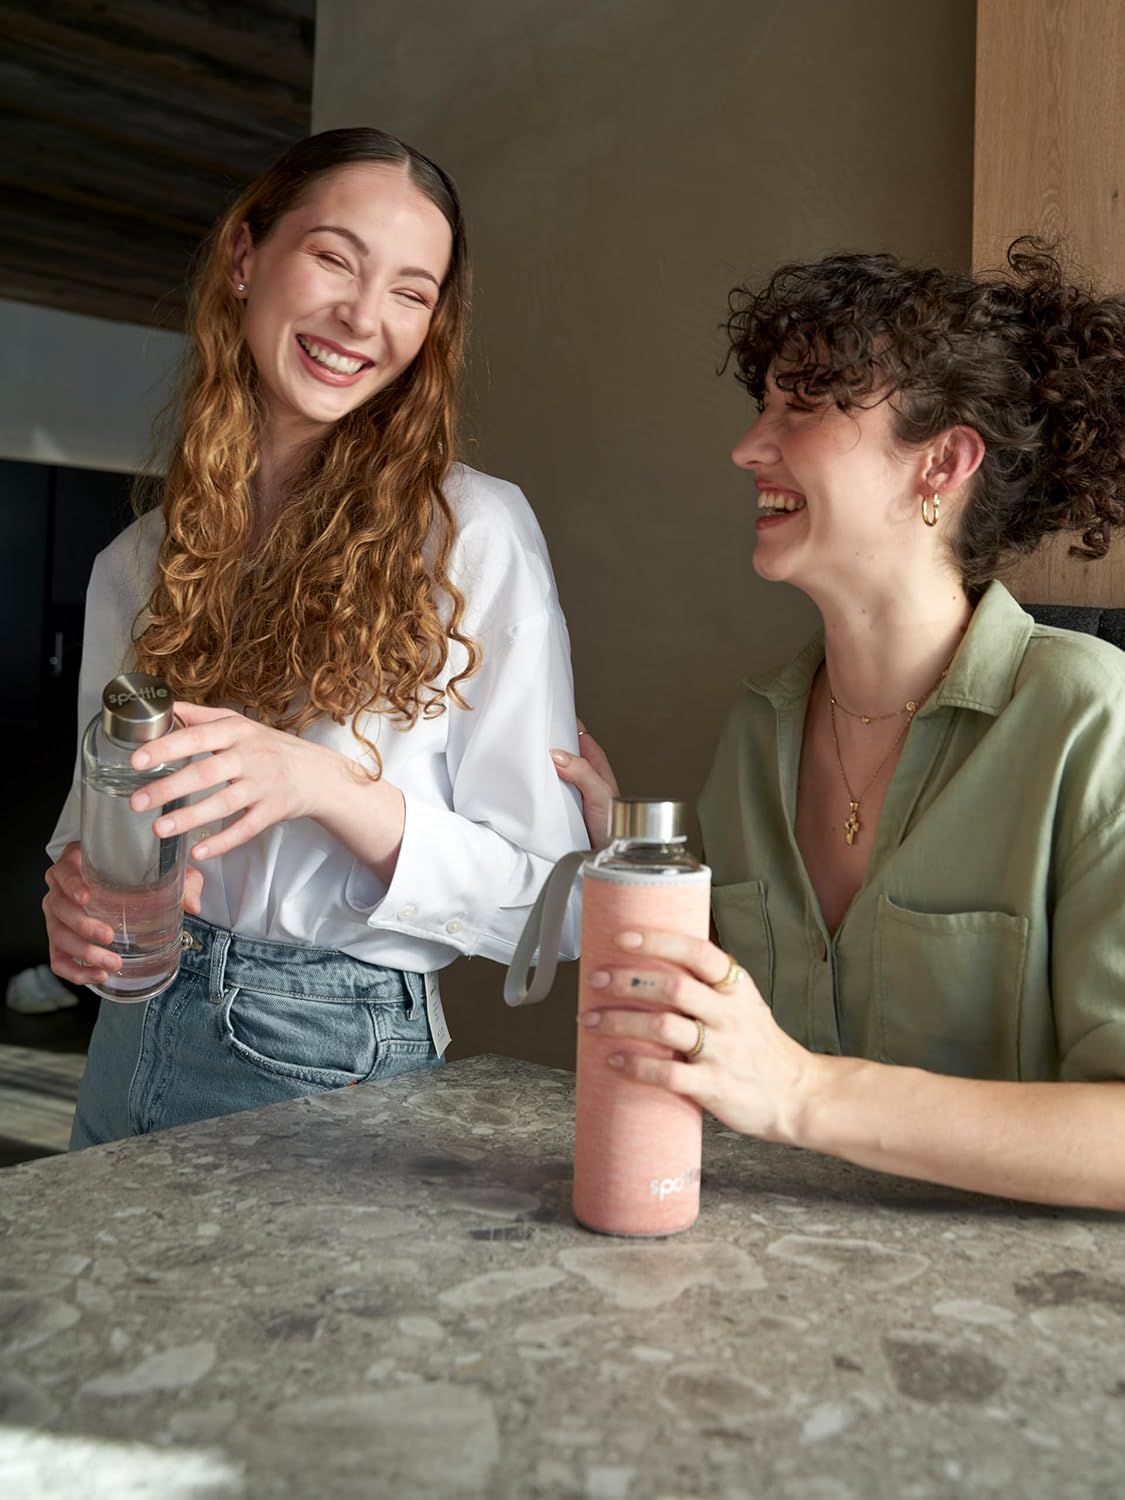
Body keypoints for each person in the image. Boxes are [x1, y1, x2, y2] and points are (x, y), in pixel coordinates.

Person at [554, 241, 1125, 1210]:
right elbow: (728, 1044)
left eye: (805, 406)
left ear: (942, 461)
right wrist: (637, 868)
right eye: (764, 405)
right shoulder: (755, 731)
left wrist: (804, 1093)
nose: (748, 447)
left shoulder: (1091, 720)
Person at [44, 127, 586, 1148]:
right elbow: (96, 827)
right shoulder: (136, 562)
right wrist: (76, 896)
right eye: (335, 258)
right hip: (126, 1044)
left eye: (410, 292)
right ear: (244, 257)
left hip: (331, 1054)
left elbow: (553, 908)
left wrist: (324, 786)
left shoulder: (472, 537)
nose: (363, 317)